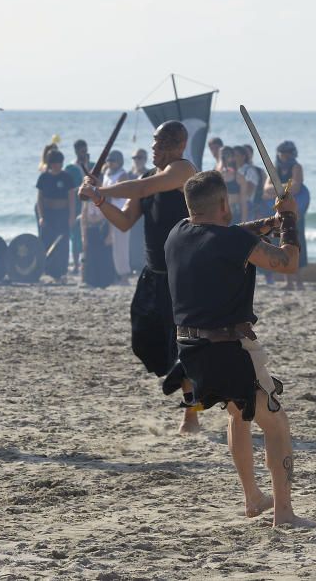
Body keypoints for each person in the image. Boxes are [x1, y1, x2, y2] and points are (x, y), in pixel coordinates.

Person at [165, 170, 311, 526]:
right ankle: (285, 514)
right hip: (231, 350)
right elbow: (287, 262)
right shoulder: (228, 240)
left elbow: (227, 236)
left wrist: (270, 221)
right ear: (223, 204)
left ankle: (252, 498)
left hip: (192, 351)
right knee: (276, 424)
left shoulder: (178, 234)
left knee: (237, 414)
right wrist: (289, 220)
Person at [78, 121, 200, 433]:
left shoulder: (183, 171)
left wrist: (98, 188)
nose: (154, 149)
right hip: (153, 273)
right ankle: (188, 378)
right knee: (144, 340)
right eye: (154, 142)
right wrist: (99, 201)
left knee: (182, 344)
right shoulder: (148, 177)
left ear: (177, 146)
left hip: (183, 276)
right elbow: (123, 221)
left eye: (160, 144)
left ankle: (191, 415)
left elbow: (143, 189)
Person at [263, 141, 308, 290]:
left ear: (292, 153)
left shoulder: (296, 167)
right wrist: (285, 187)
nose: (284, 156)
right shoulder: (275, 168)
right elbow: (266, 189)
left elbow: (296, 187)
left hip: (296, 212)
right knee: (282, 243)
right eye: (282, 153)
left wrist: (278, 188)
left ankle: (299, 282)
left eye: (287, 152)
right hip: (280, 213)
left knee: (298, 244)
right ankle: (288, 282)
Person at [36, 150, 76, 283]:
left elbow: (71, 199)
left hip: (62, 214)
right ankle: (46, 270)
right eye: (55, 163)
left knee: (62, 243)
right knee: (45, 241)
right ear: (50, 164)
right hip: (48, 214)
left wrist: (71, 217)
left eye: (60, 163)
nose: (58, 165)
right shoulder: (44, 177)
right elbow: (40, 198)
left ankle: (61, 272)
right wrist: (41, 216)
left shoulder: (67, 177)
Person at [80, 183, 117, 288]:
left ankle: (104, 282)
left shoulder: (104, 198)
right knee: (90, 256)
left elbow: (110, 217)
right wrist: (84, 236)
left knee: (103, 256)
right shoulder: (86, 201)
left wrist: (110, 234)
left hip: (102, 229)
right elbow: (83, 219)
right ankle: (90, 281)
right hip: (91, 229)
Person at [103, 150, 131, 281]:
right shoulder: (107, 174)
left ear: (119, 162)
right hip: (107, 212)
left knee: (121, 246)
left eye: (112, 161)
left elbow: (115, 193)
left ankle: (124, 275)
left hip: (120, 213)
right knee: (111, 245)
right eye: (108, 161)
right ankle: (113, 274)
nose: (110, 163)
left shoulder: (122, 175)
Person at [65, 140, 91, 274]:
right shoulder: (70, 168)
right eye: (81, 151)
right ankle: (75, 264)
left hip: (90, 203)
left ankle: (86, 263)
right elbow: (67, 188)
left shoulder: (91, 165)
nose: (84, 153)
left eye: (85, 150)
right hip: (75, 203)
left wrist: (87, 165)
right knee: (75, 235)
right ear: (76, 151)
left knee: (88, 234)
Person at [127, 149, 149, 274]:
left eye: (139, 157)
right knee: (132, 240)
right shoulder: (129, 174)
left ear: (145, 159)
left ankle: (142, 265)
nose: (137, 160)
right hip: (131, 210)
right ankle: (132, 265)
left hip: (144, 211)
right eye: (134, 158)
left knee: (143, 238)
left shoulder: (149, 174)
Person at [218, 145, 248, 223]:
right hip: (220, 214)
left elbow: (243, 201)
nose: (226, 158)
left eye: (228, 155)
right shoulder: (217, 176)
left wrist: (244, 222)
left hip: (235, 212)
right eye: (223, 155)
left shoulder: (239, 177)